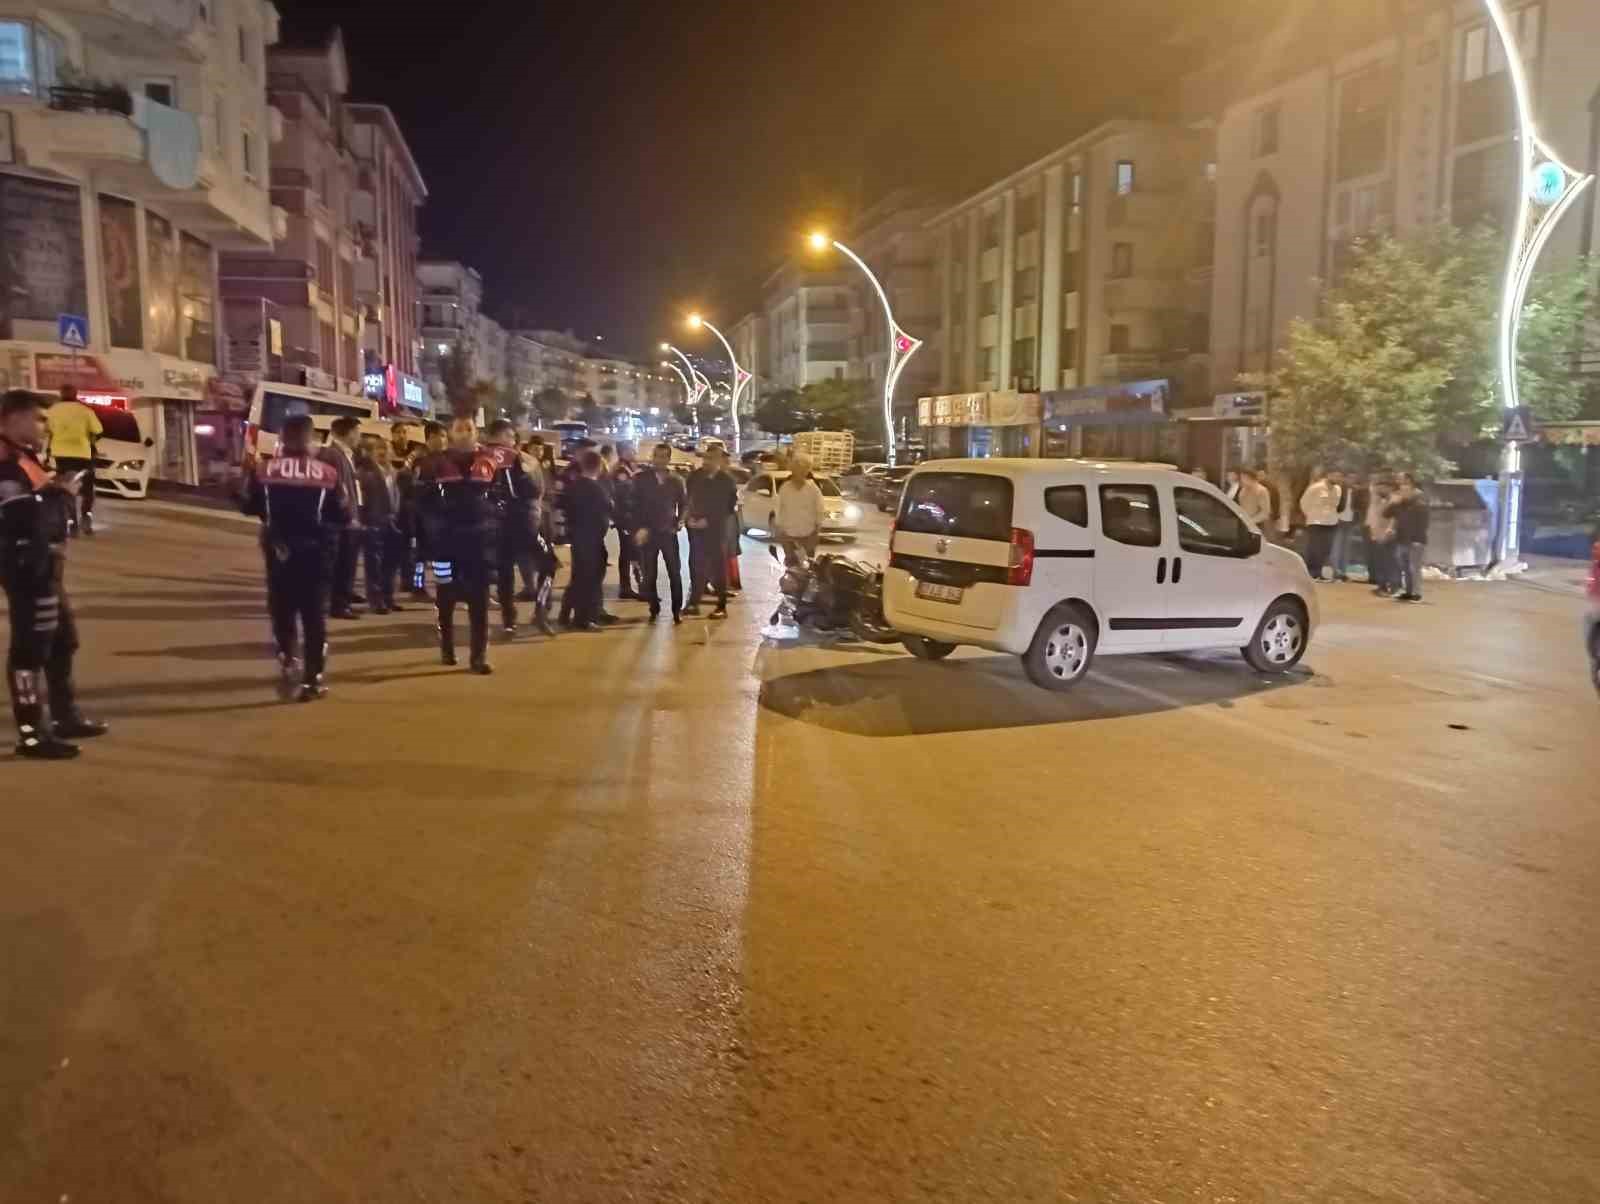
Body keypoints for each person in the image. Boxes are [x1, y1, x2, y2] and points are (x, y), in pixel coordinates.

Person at [1, 389, 106, 759]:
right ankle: (31, 732)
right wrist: (61, 494)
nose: (45, 426)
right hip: (27, 567)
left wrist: (54, 491)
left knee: (63, 642)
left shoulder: (23, 457)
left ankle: (65, 716)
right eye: (38, 418)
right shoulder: (4, 462)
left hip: (46, 564)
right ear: (13, 418)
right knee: (29, 652)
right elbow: (20, 516)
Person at [241, 413, 348, 702]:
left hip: (280, 553)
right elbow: (342, 514)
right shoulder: (326, 473)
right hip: (317, 554)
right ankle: (313, 681)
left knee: (282, 612)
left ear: (282, 439)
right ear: (310, 439)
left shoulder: (265, 470)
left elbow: (249, 506)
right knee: (314, 618)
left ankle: (289, 661)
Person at [417, 416, 497, 673]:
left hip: (479, 544)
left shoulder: (489, 461)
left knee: (480, 601)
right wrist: (433, 531)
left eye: (469, 428)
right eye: (459, 428)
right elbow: (421, 502)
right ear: (451, 433)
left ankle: (479, 657)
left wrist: (493, 524)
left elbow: (501, 498)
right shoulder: (436, 464)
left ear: (476, 432)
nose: (464, 432)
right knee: (446, 597)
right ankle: (447, 648)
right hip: (445, 545)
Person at [484, 418, 540, 637]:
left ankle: (535, 610)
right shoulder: (487, 460)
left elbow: (533, 489)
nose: (510, 441)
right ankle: (510, 617)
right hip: (502, 525)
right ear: (494, 437)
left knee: (545, 563)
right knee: (505, 573)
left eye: (512, 437)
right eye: (507, 436)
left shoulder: (519, 460)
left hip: (519, 523)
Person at [632, 442, 687, 622]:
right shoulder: (641, 479)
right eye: (657, 456)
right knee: (650, 574)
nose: (660, 460)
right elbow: (634, 506)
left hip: (668, 533)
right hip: (648, 533)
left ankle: (676, 610)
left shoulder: (676, 480)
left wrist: (681, 520)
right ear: (652, 457)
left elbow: (684, 504)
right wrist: (638, 528)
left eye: (664, 457)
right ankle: (653, 607)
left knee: (674, 572)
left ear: (669, 459)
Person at [319, 415, 365, 618]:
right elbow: (337, 490)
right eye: (357, 432)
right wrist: (347, 515)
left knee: (347, 564)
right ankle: (339, 605)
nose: (359, 437)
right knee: (340, 565)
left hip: (349, 519)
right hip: (340, 521)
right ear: (348, 433)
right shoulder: (332, 455)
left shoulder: (345, 454)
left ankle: (343, 600)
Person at [563, 448, 613, 630]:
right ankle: (585, 618)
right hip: (591, 539)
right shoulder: (596, 489)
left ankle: (567, 613)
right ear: (599, 466)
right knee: (590, 578)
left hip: (578, 537)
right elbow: (608, 509)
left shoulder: (573, 486)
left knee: (579, 577)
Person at [686, 444, 738, 619]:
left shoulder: (726, 481)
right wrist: (689, 518)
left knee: (718, 568)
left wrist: (708, 521)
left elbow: (728, 507)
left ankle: (721, 606)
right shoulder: (695, 476)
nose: (707, 462)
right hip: (696, 529)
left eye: (711, 458)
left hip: (716, 530)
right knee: (695, 565)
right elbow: (689, 498)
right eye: (705, 458)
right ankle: (693, 602)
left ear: (719, 460)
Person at [45, 385, 103, 537]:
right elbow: (98, 431)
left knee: (66, 489)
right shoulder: (85, 411)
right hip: (83, 455)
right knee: (88, 489)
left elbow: (47, 430)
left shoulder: (53, 411)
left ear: (61, 394)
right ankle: (86, 517)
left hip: (61, 455)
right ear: (76, 394)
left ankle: (72, 523)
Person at [356, 437, 401, 614]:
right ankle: (376, 600)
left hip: (391, 522)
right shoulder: (365, 473)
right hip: (373, 522)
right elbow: (361, 501)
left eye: (386, 448)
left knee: (390, 563)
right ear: (373, 453)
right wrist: (363, 521)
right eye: (379, 449)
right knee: (374, 563)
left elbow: (397, 496)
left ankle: (388, 597)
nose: (383, 452)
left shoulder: (394, 472)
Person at [1385, 473, 1430, 602]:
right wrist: (1393, 502)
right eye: (1401, 489)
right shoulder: (1400, 503)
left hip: (1416, 540)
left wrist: (1417, 539)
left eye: (1405, 488)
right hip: (1401, 539)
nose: (1402, 491)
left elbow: (1424, 522)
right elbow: (1386, 514)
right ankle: (1408, 591)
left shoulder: (1420, 502)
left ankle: (1417, 593)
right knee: (1404, 566)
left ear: (1412, 489)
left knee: (1414, 567)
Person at [775, 455, 826, 564]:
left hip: (808, 536)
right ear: (793, 469)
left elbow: (820, 510)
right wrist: (780, 531)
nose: (802, 472)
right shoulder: (785, 488)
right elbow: (778, 509)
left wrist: (816, 532)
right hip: (789, 536)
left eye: (805, 469)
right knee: (792, 568)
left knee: (807, 568)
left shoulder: (813, 489)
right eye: (799, 468)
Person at [612, 442, 643, 600]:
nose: (635, 452)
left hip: (631, 517)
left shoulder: (631, 467)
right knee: (632, 552)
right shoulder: (620, 470)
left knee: (631, 552)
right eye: (631, 450)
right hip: (626, 518)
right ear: (623, 452)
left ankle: (632, 586)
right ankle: (633, 587)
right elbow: (624, 495)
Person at [1299, 466, 1340, 582]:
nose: (1337, 478)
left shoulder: (1337, 489)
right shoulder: (1316, 487)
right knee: (1313, 548)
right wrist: (1311, 515)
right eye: (1335, 475)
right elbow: (1303, 502)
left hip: (1331, 521)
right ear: (1328, 475)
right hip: (1316, 522)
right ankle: (1311, 573)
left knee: (1326, 549)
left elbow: (1335, 505)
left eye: (1339, 476)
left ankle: (1320, 572)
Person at [1365, 476, 1398, 597]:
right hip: (1378, 533)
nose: (1379, 489)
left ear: (1389, 488)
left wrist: (1390, 530)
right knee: (1380, 560)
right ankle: (1382, 585)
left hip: (1389, 534)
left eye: (1382, 487)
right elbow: (1373, 517)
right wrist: (1372, 531)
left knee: (1390, 561)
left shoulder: (1394, 500)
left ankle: (1393, 586)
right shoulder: (1377, 499)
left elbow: (1395, 518)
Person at [1330, 469, 1357, 582]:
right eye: (1350, 478)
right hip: (1339, 520)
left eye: (1354, 478)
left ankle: (1343, 571)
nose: (1352, 480)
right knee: (1336, 547)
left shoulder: (1355, 491)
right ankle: (1336, 571)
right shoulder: (1339, 490)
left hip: (1350, 522)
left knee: (1346, 549)